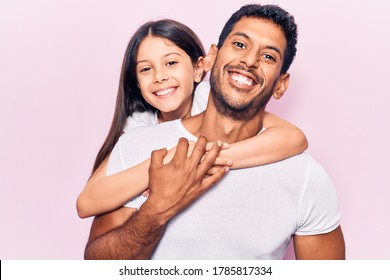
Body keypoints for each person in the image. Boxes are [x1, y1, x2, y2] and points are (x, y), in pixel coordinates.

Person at [84, 3, 346, 260]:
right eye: (240, 45)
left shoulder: (306, 178)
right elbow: (96, 260)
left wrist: (203, 157)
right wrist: (158, 209)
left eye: (268, 56)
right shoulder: (137, 144)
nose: (250, 60)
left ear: (281, 84)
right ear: (213, 56)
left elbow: (294, 137)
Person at [76, 19, 308, 218]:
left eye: (171, 63)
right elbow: (86, 203)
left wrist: (199, 161)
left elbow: (293, 138)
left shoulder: (212, 97)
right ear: (136, 83)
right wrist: (163, 169)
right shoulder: (140, 127)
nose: (160, 77)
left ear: (199, 68)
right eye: (146, 69)